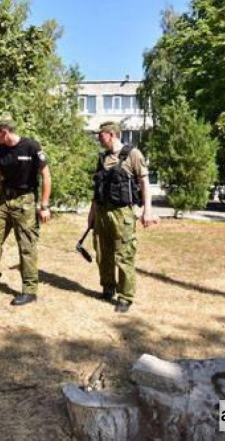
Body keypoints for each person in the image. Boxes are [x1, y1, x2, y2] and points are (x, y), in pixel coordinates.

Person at [0, 114, 52, 305]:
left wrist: (45, 205)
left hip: (25, 201)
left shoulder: (31, 146)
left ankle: (30, 290)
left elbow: (46, 176)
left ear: (4, 131)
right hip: (4, 200)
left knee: (26, 246)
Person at [87, 121, 157, 313]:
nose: (98, 138)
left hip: (122, 212)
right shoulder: (102, 158)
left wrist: (147, 211)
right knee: (103, 253)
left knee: (124, 254)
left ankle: (125, 297)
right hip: (102, 211)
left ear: (111, 134)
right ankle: (108, 288)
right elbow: (97, 189)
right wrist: (91, 214)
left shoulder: (132, 154)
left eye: (100, 135)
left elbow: (144, 183)